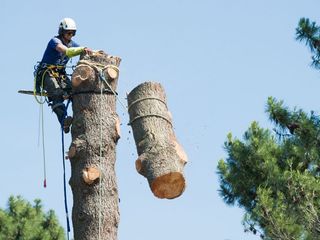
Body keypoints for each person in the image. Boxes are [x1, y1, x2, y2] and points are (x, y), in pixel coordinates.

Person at [34, 17, 93, 133]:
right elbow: (67, 51)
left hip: (60, 74)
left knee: (75, 91)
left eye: (72, 33)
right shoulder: (55, 41)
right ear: (62, 32)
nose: (70, 35)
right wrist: (82, 49)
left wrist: (92, 52)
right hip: (47, 73)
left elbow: (82, 50)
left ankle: (80, 118)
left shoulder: (72, 43)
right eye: (68, 33)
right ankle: (64, 121)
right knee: (57, 94)